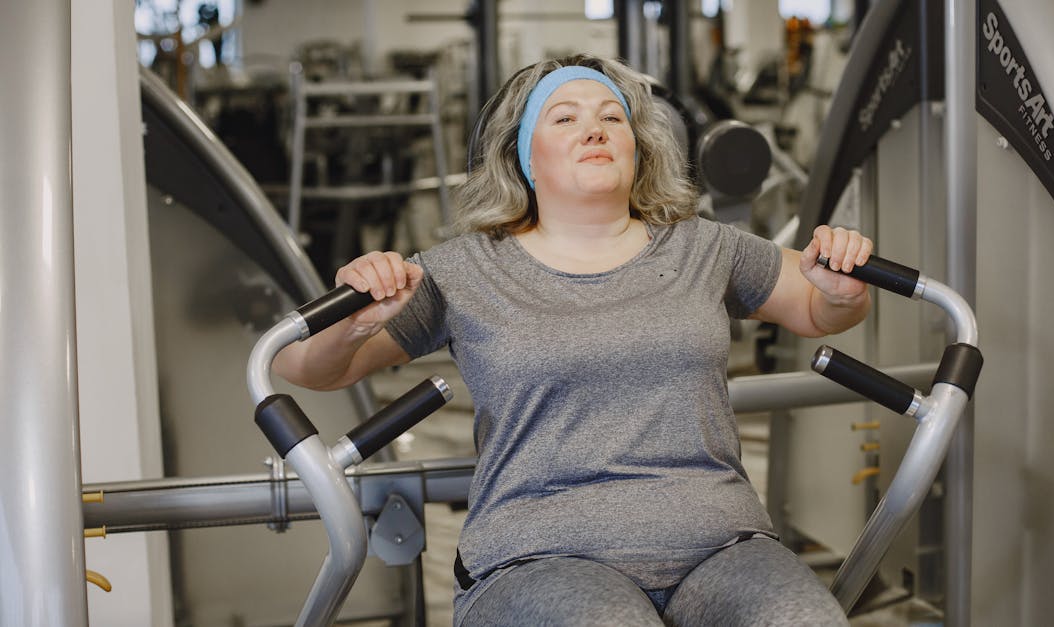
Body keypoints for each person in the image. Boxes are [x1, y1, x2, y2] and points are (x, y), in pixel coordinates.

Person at [274, 54, 872, 626]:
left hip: (722, 547)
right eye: (565, 118)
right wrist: (352, 322)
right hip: (541, 556)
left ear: (639, 148)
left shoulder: (702, 247)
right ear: (523, 157)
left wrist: (841, 288)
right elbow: (311, 367)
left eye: (612, 117)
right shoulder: (463, 271)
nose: (595, 129)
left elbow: (821, 309)